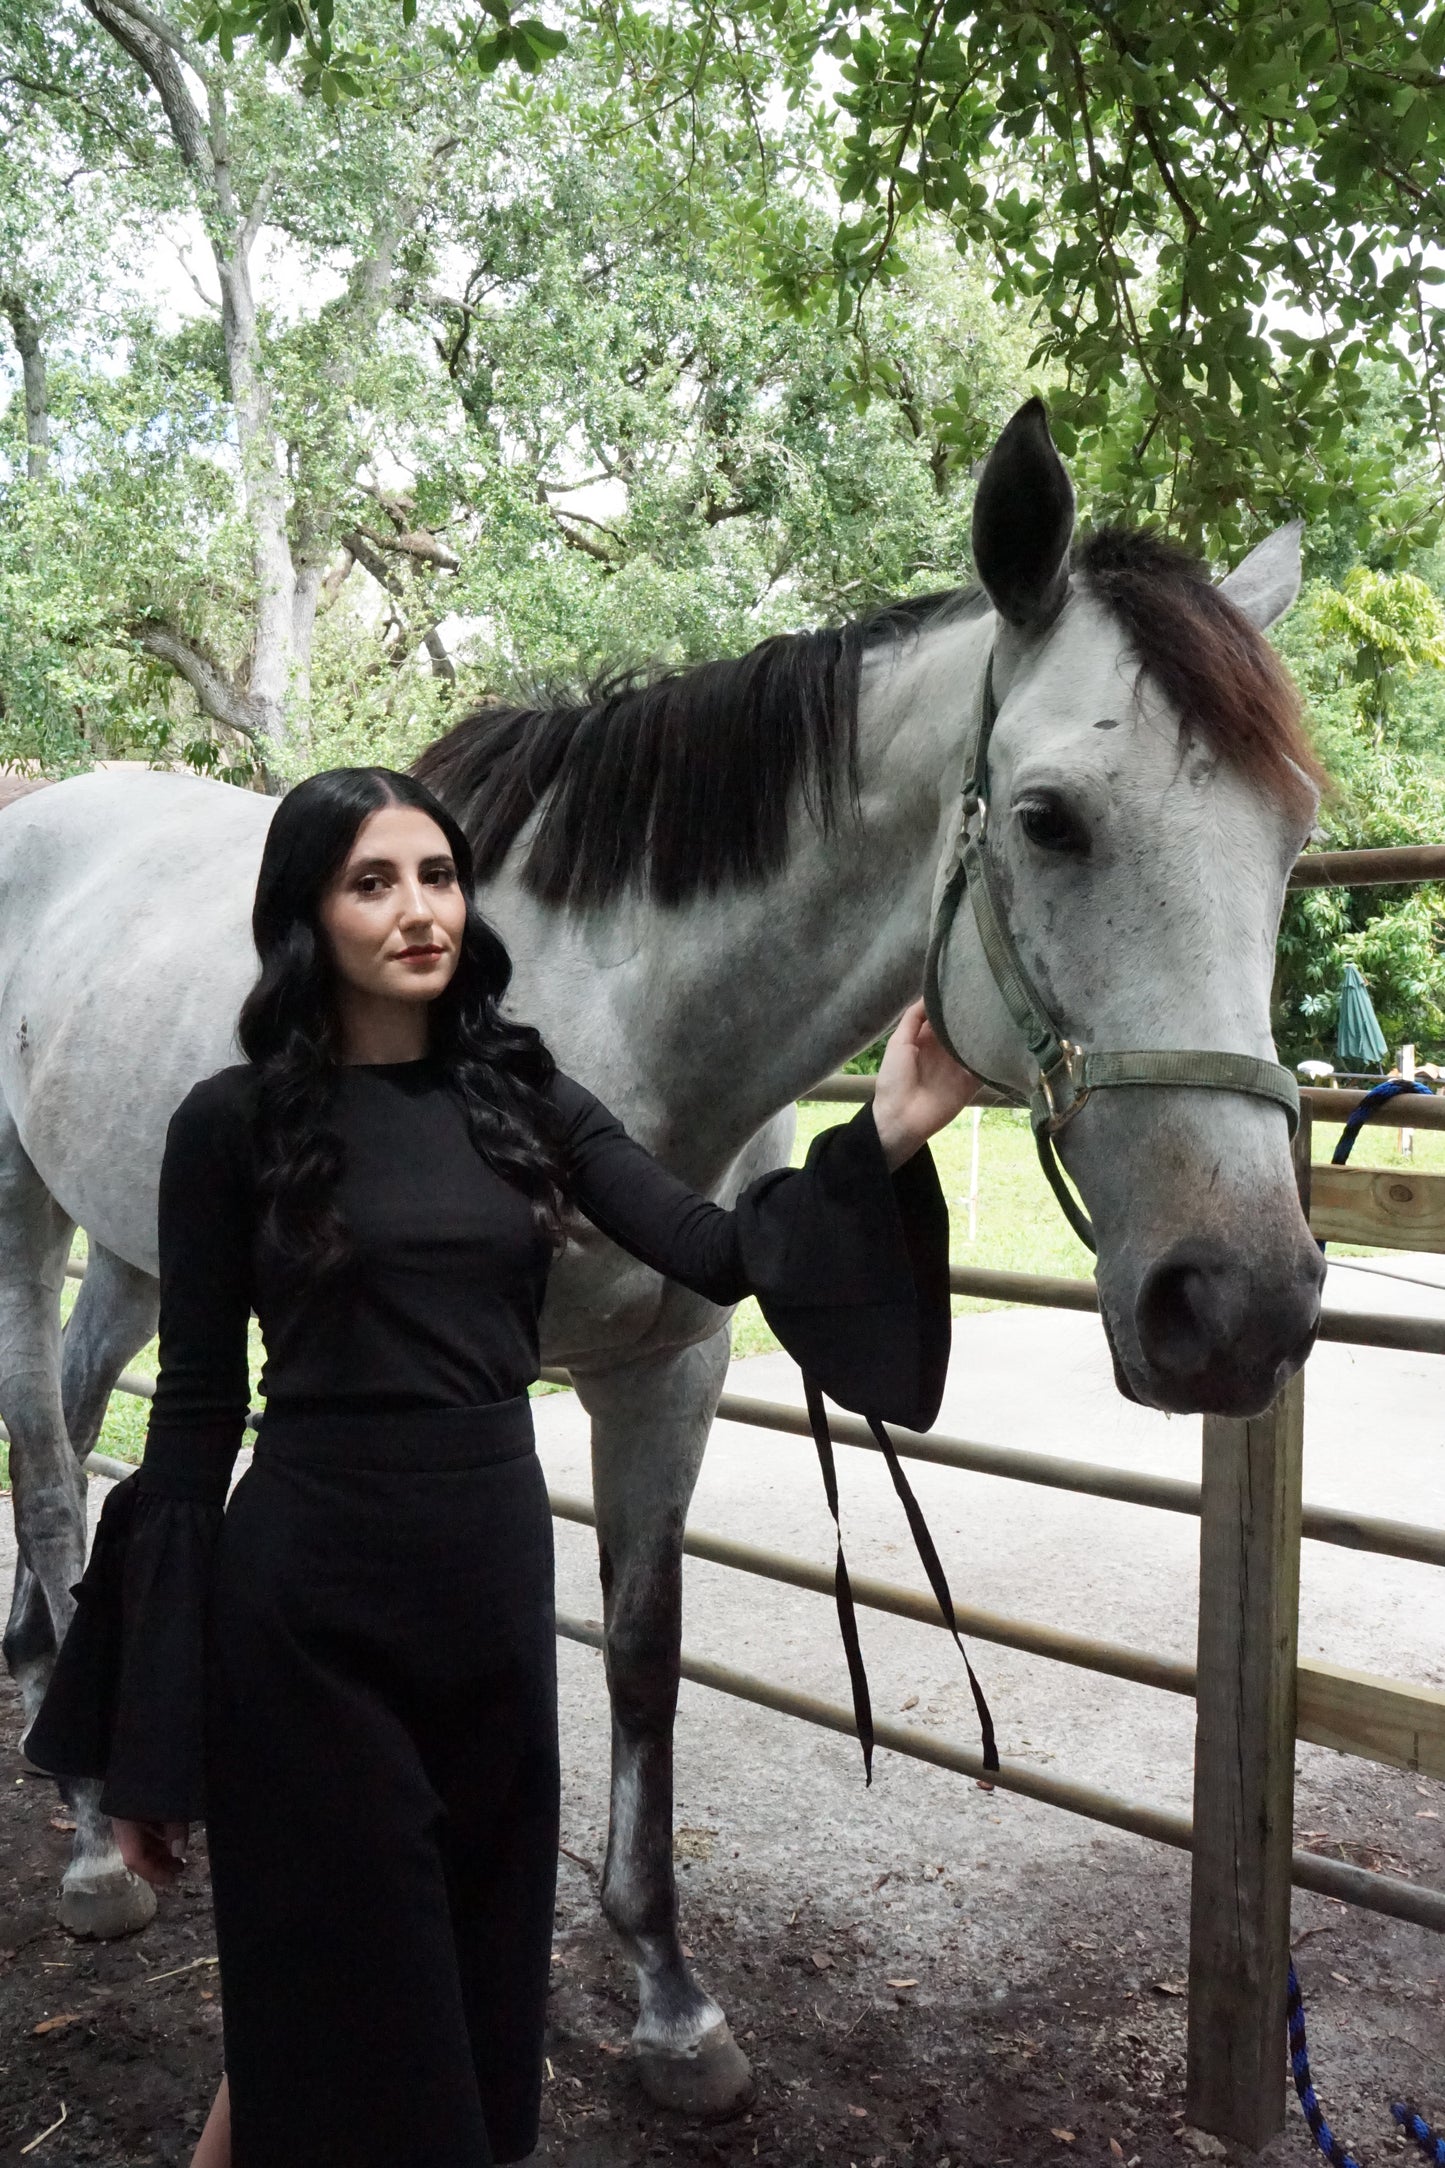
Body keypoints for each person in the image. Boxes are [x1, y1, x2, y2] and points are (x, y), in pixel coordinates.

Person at [26, 767, 979, 2168]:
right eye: (372, 882)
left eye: (436, 875)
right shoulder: (227, 1124)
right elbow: (191, 1425)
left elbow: (713, 1255)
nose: (418, 909)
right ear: (306, 914)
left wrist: (884, 1128)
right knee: (360, 1986)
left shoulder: (521, 1093)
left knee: (449, 1990)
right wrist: (151, 1732)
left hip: (487, 1600)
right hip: (308, 1614)